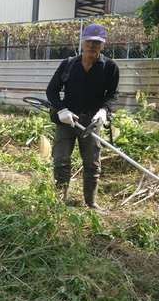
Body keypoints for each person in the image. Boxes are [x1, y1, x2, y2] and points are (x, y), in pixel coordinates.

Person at [46, 24, 119, 210]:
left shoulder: (109, 67)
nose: (92, 46)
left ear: (103, 45)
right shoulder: (69, 64)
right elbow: (52, 90)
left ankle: (91, 203)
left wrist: (104, 111)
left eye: (97, 42)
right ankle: (59, 201)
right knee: (61, 160)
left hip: (91, 123)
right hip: (67, 120)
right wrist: (61, 110)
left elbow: (112, 94)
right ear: (82, 42)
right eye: (89, 41)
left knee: (92, 164)